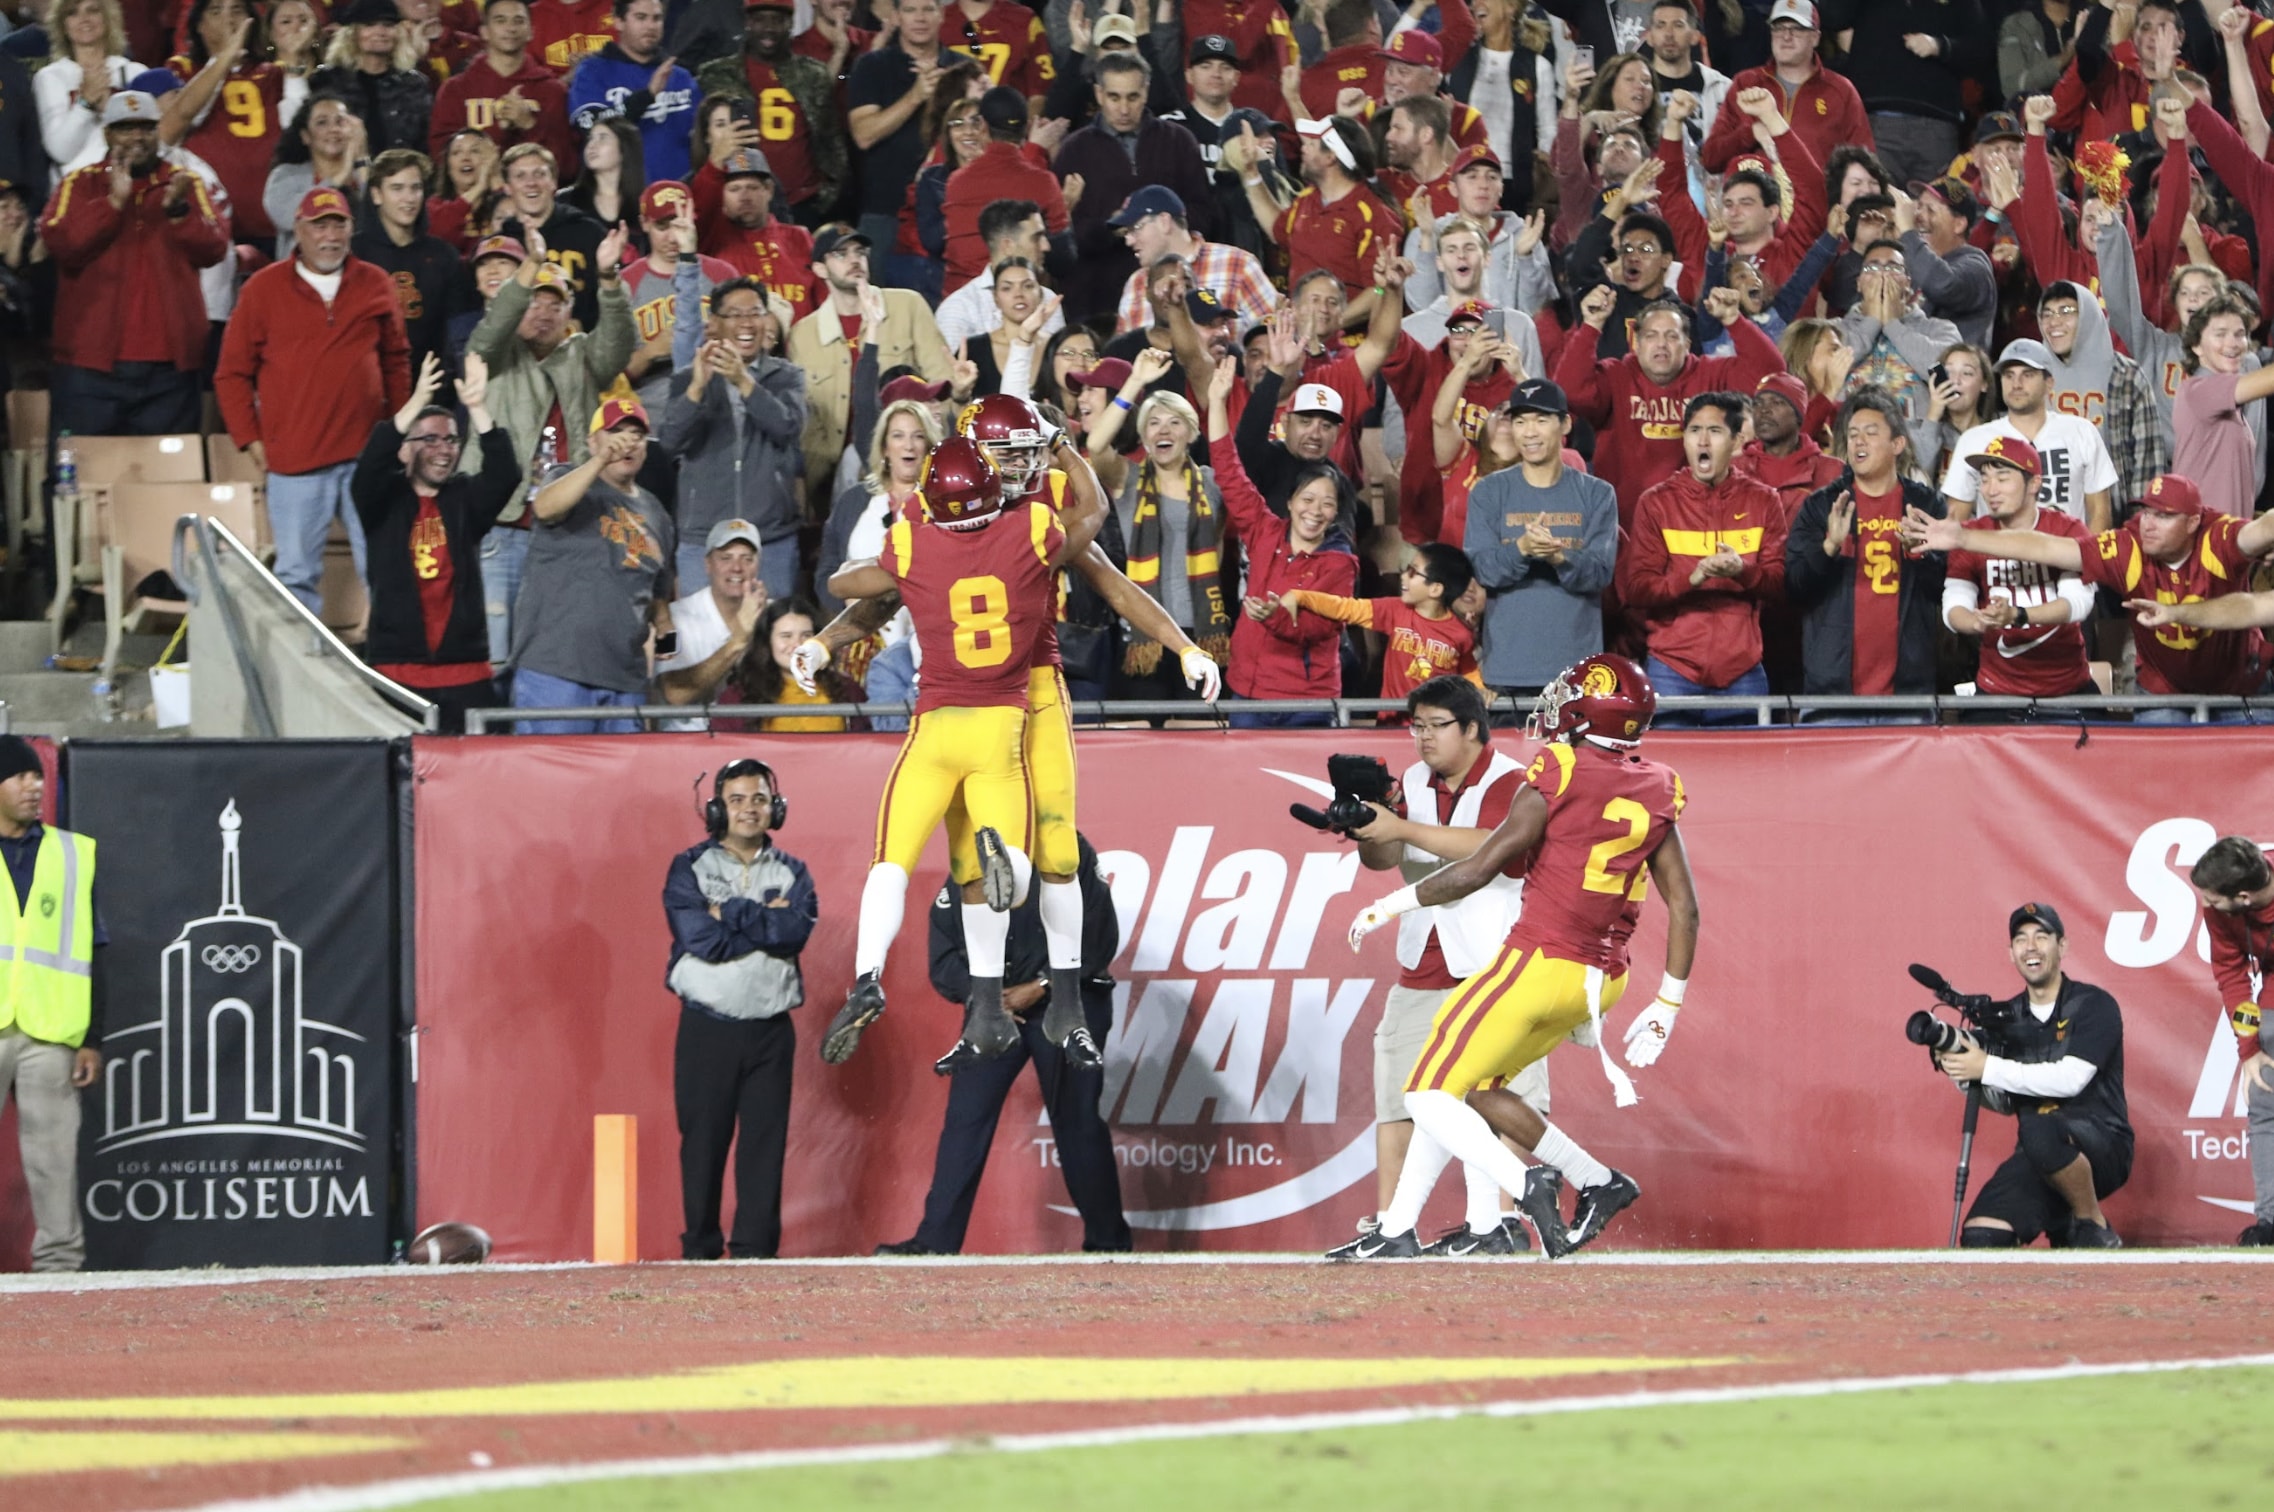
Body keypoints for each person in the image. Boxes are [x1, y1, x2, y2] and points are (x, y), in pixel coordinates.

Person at [1342, 652, 1699, 1260]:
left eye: (1570, 698)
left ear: (1590, 711)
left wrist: (1390, 905)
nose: (1556, 708)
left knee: (1426, 1092)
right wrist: (1667, 1002)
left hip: (1535, 964)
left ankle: (1532, 1186)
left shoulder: (1559, 767)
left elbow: (1478, 869)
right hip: (1602, 977)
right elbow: (1685, 908)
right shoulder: (1659, 784)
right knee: (1467, 1086)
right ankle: (1410, 1227)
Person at [817, 436, 1101, 1070]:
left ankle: (866, 976)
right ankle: (1010, 868)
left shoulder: (915, 542)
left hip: (935, 728)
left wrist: (899, 540)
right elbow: (1094, 511)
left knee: (889, 863)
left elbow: (845, 583)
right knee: (1020, 866)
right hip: (1001, 727)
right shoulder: (1030, 528)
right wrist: (1061, 450)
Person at [1344, 676, 1543, 1254]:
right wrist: (1368, 827)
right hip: (1421, 959)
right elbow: (1386, 859)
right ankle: (1388, 1226)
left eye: (1435, 725)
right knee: (1402, 1098)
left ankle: (1502, 1220)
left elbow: (1496, 850)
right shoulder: (1409, 781)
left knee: (1501, 1095)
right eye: (1417, 725)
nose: (1423, 738)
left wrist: (1401, 826)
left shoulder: (1517, 782)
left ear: (1473, 729)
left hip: (1494, 964)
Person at [875, 832, 1129, 1256]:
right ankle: (935, 1243)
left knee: (1076, 1119)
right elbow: (944, 959)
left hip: (1069, 1001)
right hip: (997, 1008)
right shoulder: (970, 858)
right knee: (964, 1121)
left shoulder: (1065, 845)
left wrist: (1042, 984)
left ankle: (1108, 1243)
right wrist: (984, 999)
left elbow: (1099, 936)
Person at [215, 184, 414, 614]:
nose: (329, 236)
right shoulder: (263, 289)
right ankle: (300, 678)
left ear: (351, 230)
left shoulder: (375, 283)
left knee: (387, 568)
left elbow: (396, 361)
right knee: (296, 576)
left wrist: (399, 432)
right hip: (295, 461)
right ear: (298, 230)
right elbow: (231, 374)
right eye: (318, 226)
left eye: (338, 225)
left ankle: (393, 669)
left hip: (368, 457)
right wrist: (250, 439)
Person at [1937, 473, 2274, 713]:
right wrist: (1964, 538)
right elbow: (2047, 547)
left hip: (2239, 686)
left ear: (2192, 522)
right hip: (2163, 690)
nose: (2148, 524)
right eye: (2145, 511)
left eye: (2164, 516)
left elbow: (2264, 531)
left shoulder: (2219, 538)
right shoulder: (2126, 547)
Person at [461, 224, 637, 667]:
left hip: (565, 527)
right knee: (495, 648)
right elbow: (495, 324)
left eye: (554, 303)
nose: (543, 312)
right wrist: (532, 266)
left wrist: (610, 279)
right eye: (534, 301)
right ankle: (490, 735)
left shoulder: (581, 354)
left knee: (553, 646)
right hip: (502, 524)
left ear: (569, 312)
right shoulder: (494, 352)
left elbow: (618, 346)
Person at [662, 757, 817, 1260]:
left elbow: (793, 932)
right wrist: (760, 923)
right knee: (703, 1145)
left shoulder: (793, 870)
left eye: (760, 799)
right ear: (716, 810)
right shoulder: (690, 867)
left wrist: (727, 911)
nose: (750, 809)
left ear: (777, 808)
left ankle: (755, 1252)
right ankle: (700, 1249)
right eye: (737, 800)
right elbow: (699, 940)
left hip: (772, 1030)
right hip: (708, 1028)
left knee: (764, 1149)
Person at [1934, 903, 2129, 1249]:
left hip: (2103, 1144)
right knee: (1982, 1236)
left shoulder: (2094, 1005)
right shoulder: (2008, 1017)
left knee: (2040, 1128)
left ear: (2062, 946)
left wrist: (1988, 1067)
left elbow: (2071, 1080)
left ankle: (2091, 1223)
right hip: (2038, 1152)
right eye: (2021, 939)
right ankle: (2062, 1220)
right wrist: (1962, 1072)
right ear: (2011, 954)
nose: (2031, 947)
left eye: (2042, 936)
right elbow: (2007, 1102)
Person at [38, 89, 225, 441]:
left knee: (168, 483)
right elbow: (63, 245)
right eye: (125, 128)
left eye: (146, 128)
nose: (137, 137)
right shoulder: (78, 184)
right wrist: (112, 203)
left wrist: (178, 212)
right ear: (107, 133)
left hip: (169, 370)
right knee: (76, 480)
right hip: (89, 367)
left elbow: (214, 248)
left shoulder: (185, 183)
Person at [354, 353, 517, 729]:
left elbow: (505, 474)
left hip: (466, 673)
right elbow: (370, 466)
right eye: (429, 439)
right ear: (405, 448)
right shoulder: (381, 501)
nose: (443, 450)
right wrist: (415, 400)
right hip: (397, 670)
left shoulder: (465, 499)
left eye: (450, 440)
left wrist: (477, 407)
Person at [1204, 351, 1357, 728]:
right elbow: (1227, 467)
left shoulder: (1340, 562)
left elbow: (1319, 627)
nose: (1315, 511)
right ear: (1289, 503)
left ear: (1337, 511)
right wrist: (1216, 402)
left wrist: (1275, 617)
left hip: (1307, 703)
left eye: (1326, 504)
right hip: (1248, 690)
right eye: (1307, 500)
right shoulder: (1264, 530)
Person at [0, 736, 104, 1273]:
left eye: (37, 777)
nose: (34, 785)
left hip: (51, 1030)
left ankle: (60, 1267)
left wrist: (92, 1038)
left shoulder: (72, 852)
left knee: (54, 1157)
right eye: (20, 776)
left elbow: (93, 949)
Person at [510, 395, 677, 732]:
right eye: (616, 431)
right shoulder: (568, 478)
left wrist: (665, 628)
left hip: (625, 679)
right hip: (557, 671)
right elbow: (544, 507)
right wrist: (599, 460)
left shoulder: (657, 513)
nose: (627, 441)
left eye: (637, 434)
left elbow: (658, 588)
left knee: (621, 785)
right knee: (552, 782)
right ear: (592, 440)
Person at [1616, 391, 1790, 713]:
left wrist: (1742, 571)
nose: (1703, 442)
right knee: (1669, 765)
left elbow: (1779, 584)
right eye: (1695, 431)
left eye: (1715, 431)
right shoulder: (1656, 503)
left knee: (1747, 765)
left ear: (1737, 440)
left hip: (1743, 675)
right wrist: (1691, 577)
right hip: (1671, 672)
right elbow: (1637, 589)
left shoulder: (1764, 501)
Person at [1556, 283, 1783, 528]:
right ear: (1636, 344)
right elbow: (1569, 392)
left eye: (1672, 336)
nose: (1661, 344)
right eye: (1651, 336)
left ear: (1687, 344)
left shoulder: (1708, 373)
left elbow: (1769, 374)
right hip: (1623, 525)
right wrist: (1591, 326)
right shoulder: (1617, 375)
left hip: (1696, 524)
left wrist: (1733, 320)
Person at [1901, 435, 2099, 701]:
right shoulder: (1969, 533)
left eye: (2002, 478)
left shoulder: (2068, 529)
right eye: (1984, 479)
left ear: (2034, 484)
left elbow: (2078, 604)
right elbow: (1953, 606)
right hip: (1997, 689)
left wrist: (2018, 615)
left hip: (2068, 687)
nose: (1990, 489)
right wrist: (1977, 621)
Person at [1783, 387, 1947, 700]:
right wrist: (1829, 547)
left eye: (1871, 433)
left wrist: (1918, 555)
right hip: (1831, 694)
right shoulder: (1821, 506)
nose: (1858, 441)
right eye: (1853, 433)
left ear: (1897, 444)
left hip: (1908, 693)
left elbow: (1946, 590)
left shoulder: (1925, 505)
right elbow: (1794, 587)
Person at [1465, 380, 1618, 701]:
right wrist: (1522, 549)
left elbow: (1600, 574)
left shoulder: (1598, 494)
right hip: (1506, 672)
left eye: (1540, 420)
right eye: (1519, 421)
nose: (1529, 432)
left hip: (1578, 675)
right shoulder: (1488, 492)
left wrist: (1558, 556)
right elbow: (1484, 570)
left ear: (1564, 424)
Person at [784, 224, 953, 513]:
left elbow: (942, 382)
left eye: (860, 252)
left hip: (909, 450)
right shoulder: (803, 334)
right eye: (841, 254)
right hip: (836, 467)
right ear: (820, 269)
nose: (854, 260)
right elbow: (807, 420)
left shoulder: (908, 306)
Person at [659, 274, 809, 597]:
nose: (748, 323)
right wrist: (697, 390)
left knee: (772, 640)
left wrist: (745, 383)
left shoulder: (786, 376)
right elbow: (670, 441)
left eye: (755, 312)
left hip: (771, 538)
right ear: (714, 323)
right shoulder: (688, 379)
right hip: (703, 539)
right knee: (701, 643)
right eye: (736, 315)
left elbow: (789, 428)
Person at [1054, 50, 1212, 325]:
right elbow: (1066, 239)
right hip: (1097, 303)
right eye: (1114, 97)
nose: (1124, 109)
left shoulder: (1178, 141)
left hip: (1171, 297)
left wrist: (1162, 226)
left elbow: (1206, 214)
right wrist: (1114, 227)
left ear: (1146, 92)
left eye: (1132, 97)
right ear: (1099, 94)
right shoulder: (1074, 150)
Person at [2186, 838, 2274, 1245]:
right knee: (2265, 1102)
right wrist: (2250, 1049)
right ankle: (2271, 1221)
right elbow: (2231, 973)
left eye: (2213, 900)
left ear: (2243, 897)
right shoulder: (2219, 909)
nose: (2208, 905)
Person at [1940, 340, 2118, 535]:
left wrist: (2085, 560)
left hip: (2066, 558)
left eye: (2028, 375)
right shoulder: (1974, 440)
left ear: (2049, 383)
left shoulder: (2081, 431)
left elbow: (2100, 512)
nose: (2016, 384)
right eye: (2009, 375)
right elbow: (1956, 519)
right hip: (1997, 559)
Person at [694, 0, 847, 227]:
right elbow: (701, 136)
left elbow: (830, 141)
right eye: (759, 20)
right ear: (747, 23)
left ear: (791, 23)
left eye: (777, 20)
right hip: (739, 204)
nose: (768, 28)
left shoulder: (813, 74)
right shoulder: (715, 74)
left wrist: (827, 196)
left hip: (804, 203)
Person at [1278, 544, 1478, 704]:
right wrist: (1301, 597)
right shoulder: (1393, 610)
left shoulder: (1461, 634)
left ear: (1435, 589)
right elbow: (1347, 608)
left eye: (1412, 572)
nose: (1402, 576)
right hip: (1391, 725)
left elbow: (1469, 673)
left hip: (1436, 730)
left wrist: (1483, 690)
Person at [1699, 0, 1870, 175]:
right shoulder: (1745, 83)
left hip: (1817, 199)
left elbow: (1864, 164)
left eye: (1797, 29)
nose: (1786, 36)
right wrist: (1749, 133)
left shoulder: (1840, 91)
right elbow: (1711, 158)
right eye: (1779, 28)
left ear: (1815, 37)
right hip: (1755, 200)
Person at [354, 147, 473, 377]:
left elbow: (457, 330)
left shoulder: (443, 255)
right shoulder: (353, 254)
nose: (408, 198)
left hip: (433, 384)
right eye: (397, 188)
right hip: (367, 383)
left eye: (415, 188)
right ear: (377, 195)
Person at [940, 87, 1068, 292]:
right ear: (1027, 127)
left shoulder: (956, 183)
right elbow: (1064, 259)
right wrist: (1068, 206)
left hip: (962, 298)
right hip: (1021, 300)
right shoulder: (1043, 181)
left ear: (982, 126)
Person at [1108, 183, 1272, 337]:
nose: (1128, 241)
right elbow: (1123, 357)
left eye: (1135, 229)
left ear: (1164, 222)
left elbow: (1272, 335)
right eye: (1126, 233)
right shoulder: (1136, 283)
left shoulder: (1237, 265)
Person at [430, 0, 576, 170]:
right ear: (484, 32)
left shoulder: (552, 91)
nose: (510, 28)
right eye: (500, 20)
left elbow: (566, 166)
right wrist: (497, 131)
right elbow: (441, 158)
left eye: (518, 21)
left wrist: (529, 124)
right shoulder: (455, 90)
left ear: (531, 31)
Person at [567, 0, 699, 184]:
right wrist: (646, 97)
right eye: (641, 17)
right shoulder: (592, 71)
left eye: (657, 18)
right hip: (617, 200)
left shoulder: (681, 77)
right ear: (618, 21)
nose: (650, 26)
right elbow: (591, 125)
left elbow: (700, 138)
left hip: (677, 196)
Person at [490, 140, 610, 331]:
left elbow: (611, 297)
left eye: (540, 174)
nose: (531, 183)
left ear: (554, 182)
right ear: (507, 187)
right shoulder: (498, 246)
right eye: (520, 176)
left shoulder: (590, 233)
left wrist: (583, 325)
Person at [2174, 294, 2274, 515]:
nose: (2233, 343)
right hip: (2202, 541)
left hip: (2226, 539)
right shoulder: (2198, 390)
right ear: (2196, 346)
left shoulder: (2230, 402)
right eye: (2220, 334)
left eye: (2240, 335)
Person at [656, 518, 769, 711]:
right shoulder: (671, 619)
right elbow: (673, 692)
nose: (737, 567)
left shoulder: (776, 617)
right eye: (726, 558)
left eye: (747, 558)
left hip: (753, 737)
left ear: (757, 566)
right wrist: (738, 640)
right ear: (708, 564)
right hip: (690, 737)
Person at [934, 196, 1062, 353]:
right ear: (1007, 246)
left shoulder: (1048, 299)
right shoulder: (959, 308)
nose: (1046, 246)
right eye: (1036, 238)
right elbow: (951, 373)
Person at [309, 0, 433, 157]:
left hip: (400, 175)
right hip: (342, 174)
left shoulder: (414, 84)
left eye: (388, 25)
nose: (380, 32)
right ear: (352, 34)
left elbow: (425, 142)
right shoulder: (326, 80)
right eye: (369, 25)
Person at [1892, 180, 1995, 350]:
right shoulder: (1913, 261)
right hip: (1914, 369)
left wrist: (1908, 234)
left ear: (1959, 225)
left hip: (1953, 374)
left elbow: (1944, 286)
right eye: (1919, 207)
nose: (1918, 216)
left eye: (1931, 210)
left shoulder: (1976, 267)